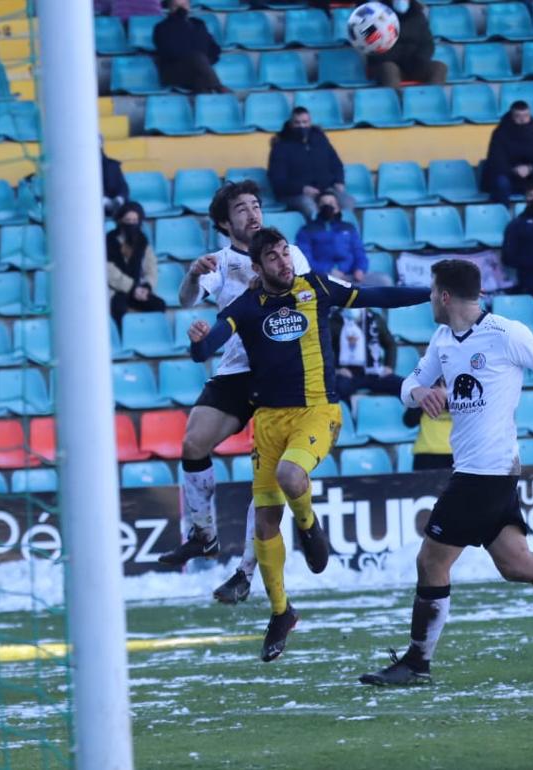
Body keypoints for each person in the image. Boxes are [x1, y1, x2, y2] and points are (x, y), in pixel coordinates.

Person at [359, 259, 533, 686]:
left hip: (485, 473)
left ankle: (416, 663)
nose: (428, 300)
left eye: (431, 292)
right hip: (484, 471)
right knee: (516, 563)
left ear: (443, 295)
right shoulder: (442, 339)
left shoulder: (506, 333)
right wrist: (419, 391)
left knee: (431, 561)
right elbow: (408, 387)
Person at [188, 228, 429, 662]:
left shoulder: (316, 287)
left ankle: (309, 527)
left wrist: (429, 293)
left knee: (290, 475)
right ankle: (281, 613)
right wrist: (197, 339)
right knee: (263, 523)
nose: (284, 262)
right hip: (268, 421)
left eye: (285, 254)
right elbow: (208, 347)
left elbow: (376, 296)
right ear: (257, 268)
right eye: (273, 258)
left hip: (317, 412)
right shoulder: (245, 306)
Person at [160, 180, 313, 606]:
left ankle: (244, 572)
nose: (253, 214)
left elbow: (306, 297)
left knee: (266, 480)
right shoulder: (221, 262)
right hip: (237, 368)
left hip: (280, 371)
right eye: (242, 209)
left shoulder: (286, 253)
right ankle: (203, 535)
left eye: (256, 205)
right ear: (226, 224)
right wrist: (192, 275)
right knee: (193, 442)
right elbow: (187, 299)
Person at [267, 108, 353, 222]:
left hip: (326, 188)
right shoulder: (280, 146)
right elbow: (277, 181)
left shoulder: (320, 139)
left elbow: (336, 163)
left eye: (305, 122)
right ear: (291, 123)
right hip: (296, 194)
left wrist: (339, 181)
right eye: (297, 123)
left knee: (347, 202)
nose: (302, 126)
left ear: (310, 122)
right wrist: (302, 189)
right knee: (309, 207)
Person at [482, 101, 533, 205]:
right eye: (518, 116)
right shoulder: (500, 134)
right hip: (510, 179)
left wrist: (531, 169)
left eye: (526, 116)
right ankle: (503, 215)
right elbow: (495, 163)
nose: (522, 119)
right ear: (511, 116)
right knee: (501, 182)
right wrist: (515, 170)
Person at [106, 202, 166, 329]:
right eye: (128, 220)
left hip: (138, 289)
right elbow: (109, 271)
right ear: (120, 221)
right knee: (118, 307)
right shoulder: (109, 241)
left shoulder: (142, 241)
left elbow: (151, 267)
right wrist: (132, 287)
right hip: (115, 290)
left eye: (135, 220)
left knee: (158, 305)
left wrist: (147, 286)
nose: (131, 224)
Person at [366, 0, 447, 88]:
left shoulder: (417, 15)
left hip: (414, 64)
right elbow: (374, 47)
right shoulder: (377, 15)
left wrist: (419, 59)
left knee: (439, 68)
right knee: (389, 69)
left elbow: (428, 44)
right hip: (388, 63)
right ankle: (396, 100)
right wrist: (400, 57)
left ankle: (430, 99)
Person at [152, 0, 227, 94]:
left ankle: (206, 104)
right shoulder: (162, 27)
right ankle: (218, 87)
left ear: (189, 6)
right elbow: (169, 53)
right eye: (176, 6)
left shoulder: (198, 24)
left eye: (184, 5)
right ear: (170, 8)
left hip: (199, 71)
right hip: (175, 72)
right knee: (197, 58)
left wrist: (204, 62)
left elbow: (214, 48)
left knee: (202, 84)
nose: (181, 9)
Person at [330, 307, 403, 399]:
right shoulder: (334, 320)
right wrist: (336, 370)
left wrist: (389, 366)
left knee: (408, 388)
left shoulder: (375, 319)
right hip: (348, 374)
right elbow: (325, 349)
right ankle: (348, 412)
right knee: (337, 390)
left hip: (375, 372)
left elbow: (390, 344)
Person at [295, 190, 368, 281]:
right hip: (323, 278)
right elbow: (305, 259)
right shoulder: (306, 230)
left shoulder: (349, 228)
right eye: (324, 204)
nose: (328, 206)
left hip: (351, 275)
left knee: (383, 280)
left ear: (338, 207)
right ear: (318, 208)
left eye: (331, 203)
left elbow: (359, 252)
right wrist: (328, 270)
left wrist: (360, 269)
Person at [403, 378, 453, 471]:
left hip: (454, 453)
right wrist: (422, 399)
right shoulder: (424, 396)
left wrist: (447, 397)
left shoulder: (463, 396)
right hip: (425, 452)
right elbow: (409, 421)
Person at [101, 140, 129, 217]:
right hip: (90, 205)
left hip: (115, 204)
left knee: (134, 210)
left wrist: (119, 199)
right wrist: (104, 201)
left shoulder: (112, 165)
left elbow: (123, 186)